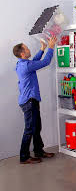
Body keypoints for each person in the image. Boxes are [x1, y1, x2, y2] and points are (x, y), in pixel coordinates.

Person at [13, 36, 57, 164]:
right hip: (29, 101)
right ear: (22, 53)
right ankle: (24, 156)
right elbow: (45, 62)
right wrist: (51, 47)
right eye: (26, 48)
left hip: (30, 100)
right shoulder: (26, 66)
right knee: (29, 129)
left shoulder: (22, 64)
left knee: (36, 127)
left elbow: (34, 62)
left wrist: (42, 49)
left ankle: (39, 151)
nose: (28, 49)